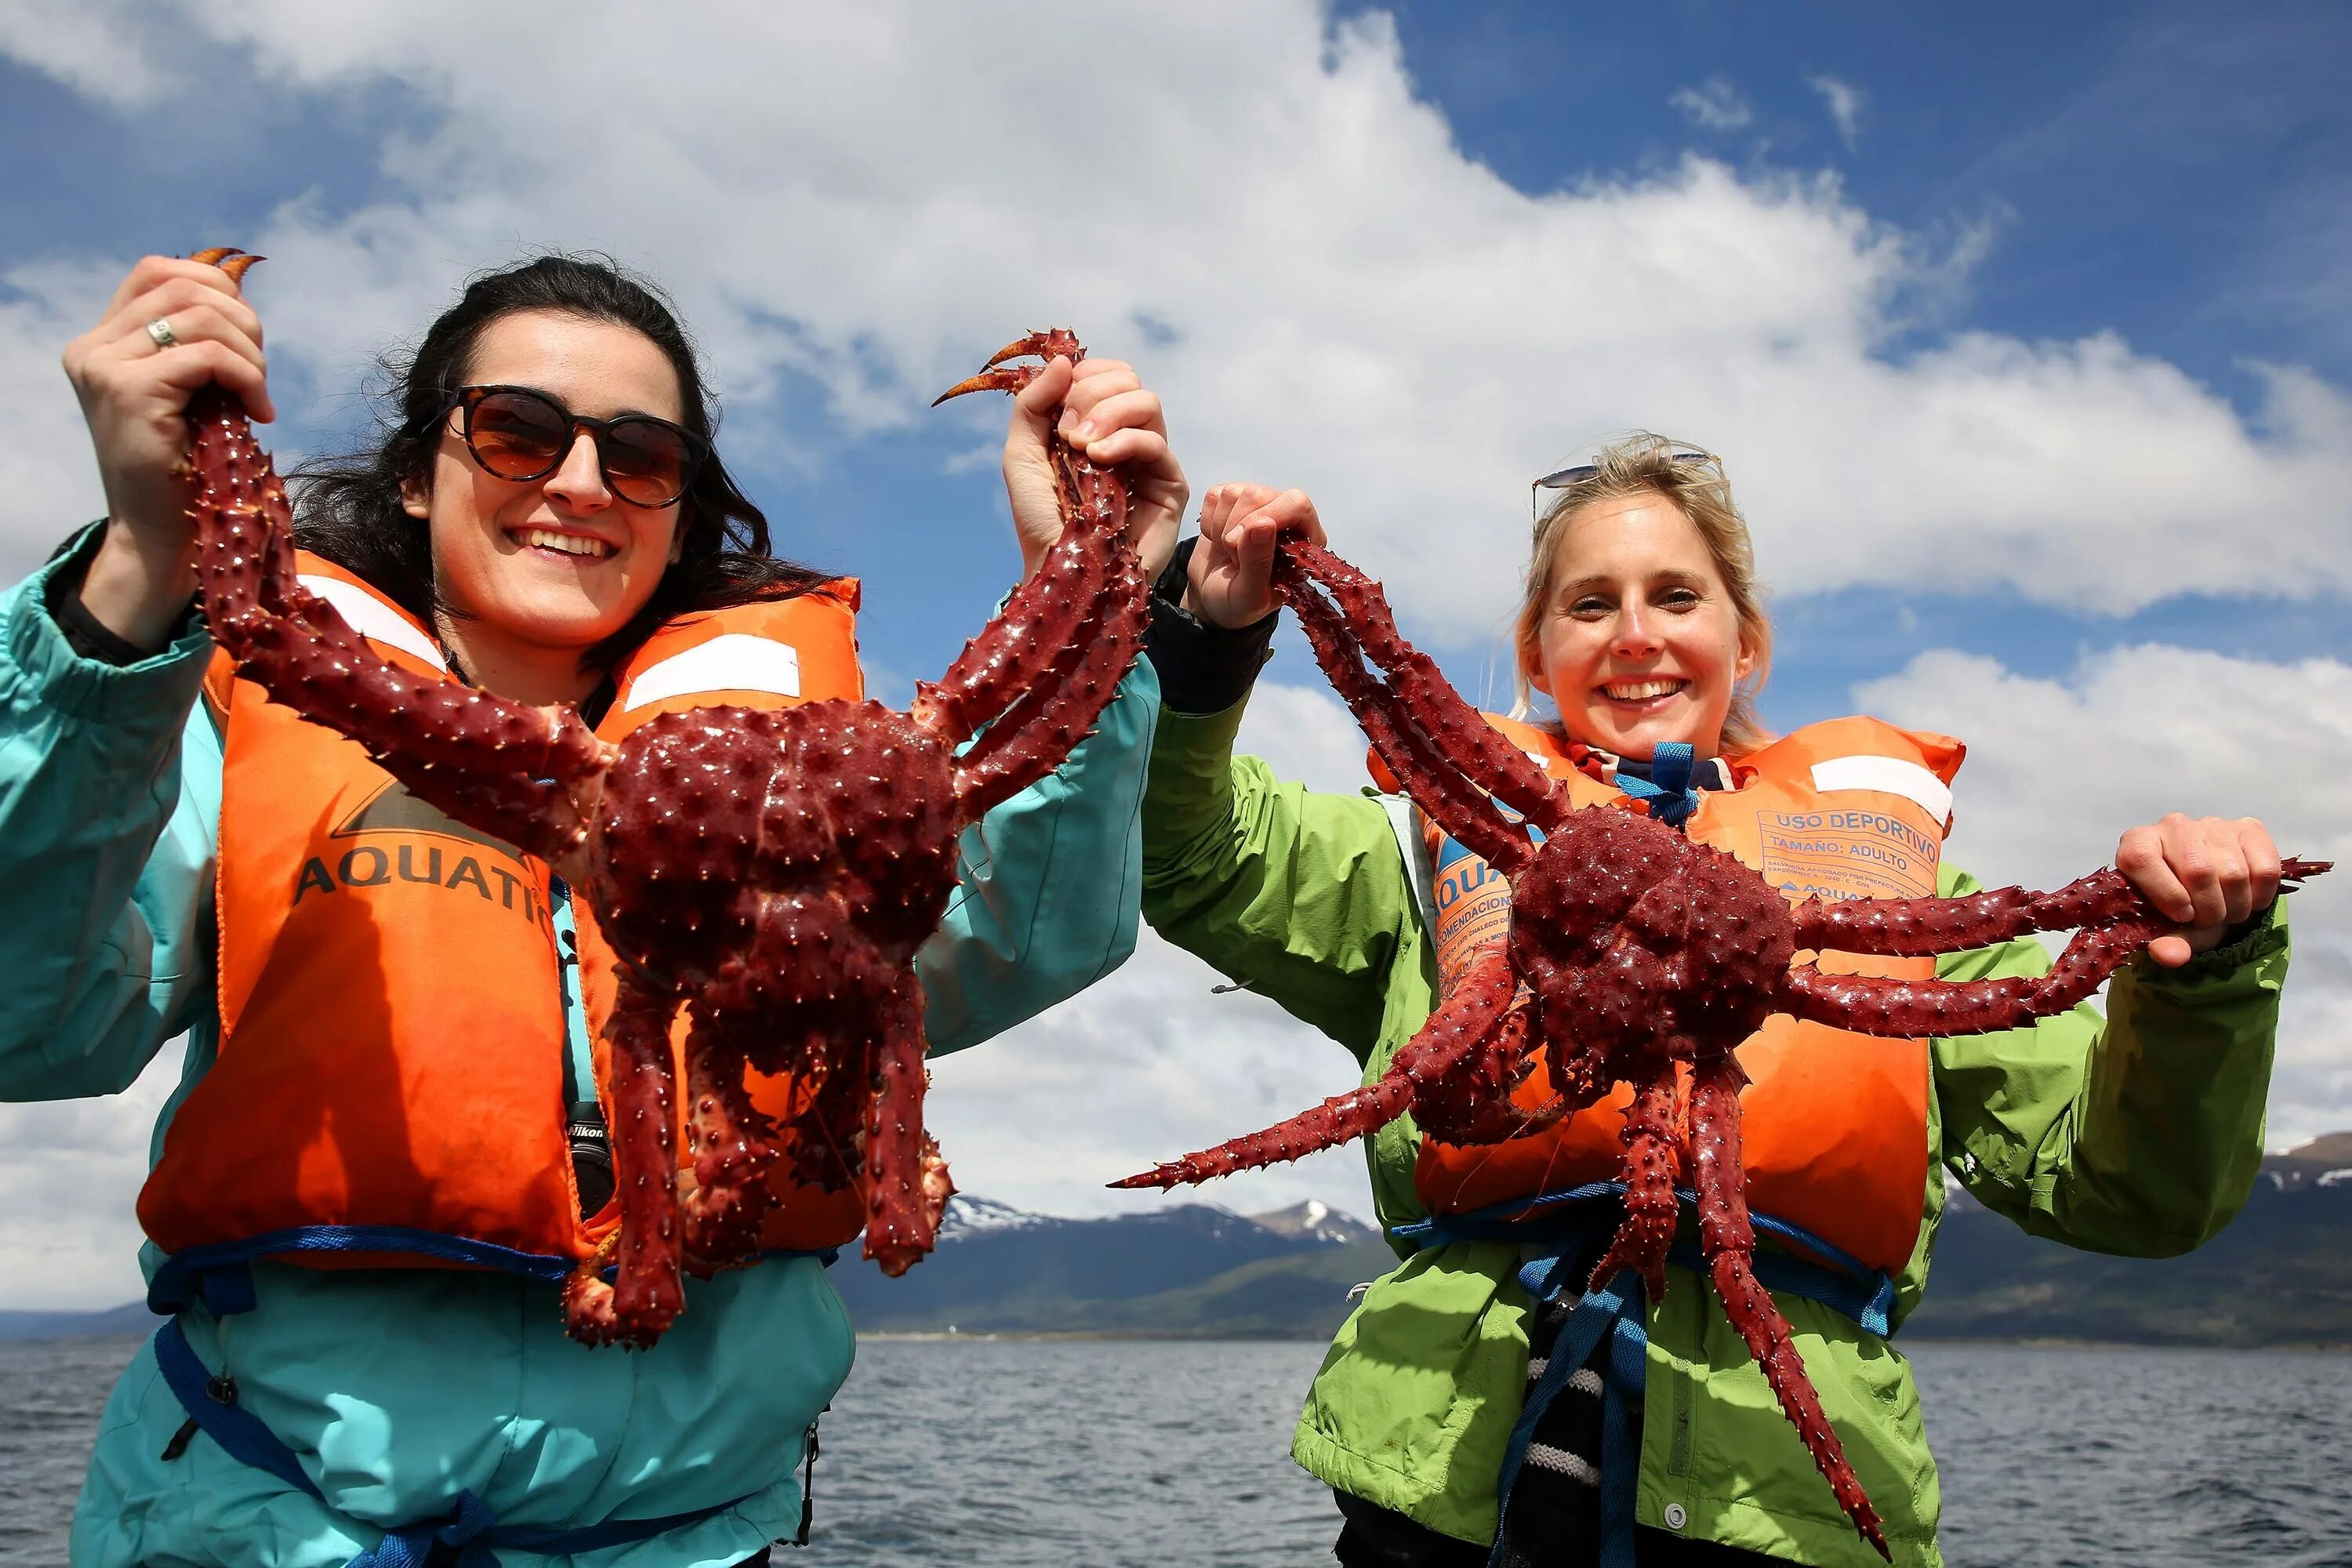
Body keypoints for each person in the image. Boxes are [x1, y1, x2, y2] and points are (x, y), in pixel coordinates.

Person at [2, 251, 1187, 1566]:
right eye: (515, 431)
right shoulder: (240, 703)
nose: (577, 483)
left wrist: (1097, 584)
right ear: (417, 470)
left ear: (683, 508)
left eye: (639, 455)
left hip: (691, 1538)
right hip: (270, 1522)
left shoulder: (815, 771)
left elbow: (1033, 934)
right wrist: (138, 568)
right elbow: (28, 1026)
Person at [1137, 435, 2295, 1567]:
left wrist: (2209, 951)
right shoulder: (1426, 841)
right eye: (1590, 605)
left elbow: (2129, 1192)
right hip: (1435, 1489)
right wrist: (1207, 638)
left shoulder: (1906, 899)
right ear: (1536, 655)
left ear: (1749, 644)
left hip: (1785, 1511)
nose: (1636, 635)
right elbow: (1194, 856)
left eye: (1676, 596)